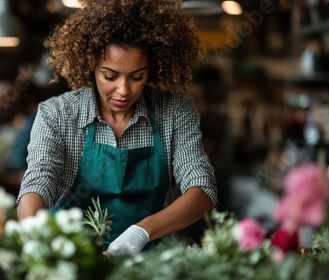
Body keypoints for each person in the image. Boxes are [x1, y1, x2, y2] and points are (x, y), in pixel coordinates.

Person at [17, 0, 217, 256]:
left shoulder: (174, 112)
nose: (124, 90)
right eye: (110, 76)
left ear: (152, 69)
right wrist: (34, 236)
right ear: (91, 66)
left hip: (147, 262)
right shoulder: (57, 114)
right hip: (71, 258)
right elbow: (39, 179)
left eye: (137, 77)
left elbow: (202, 189)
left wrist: (141, 232)